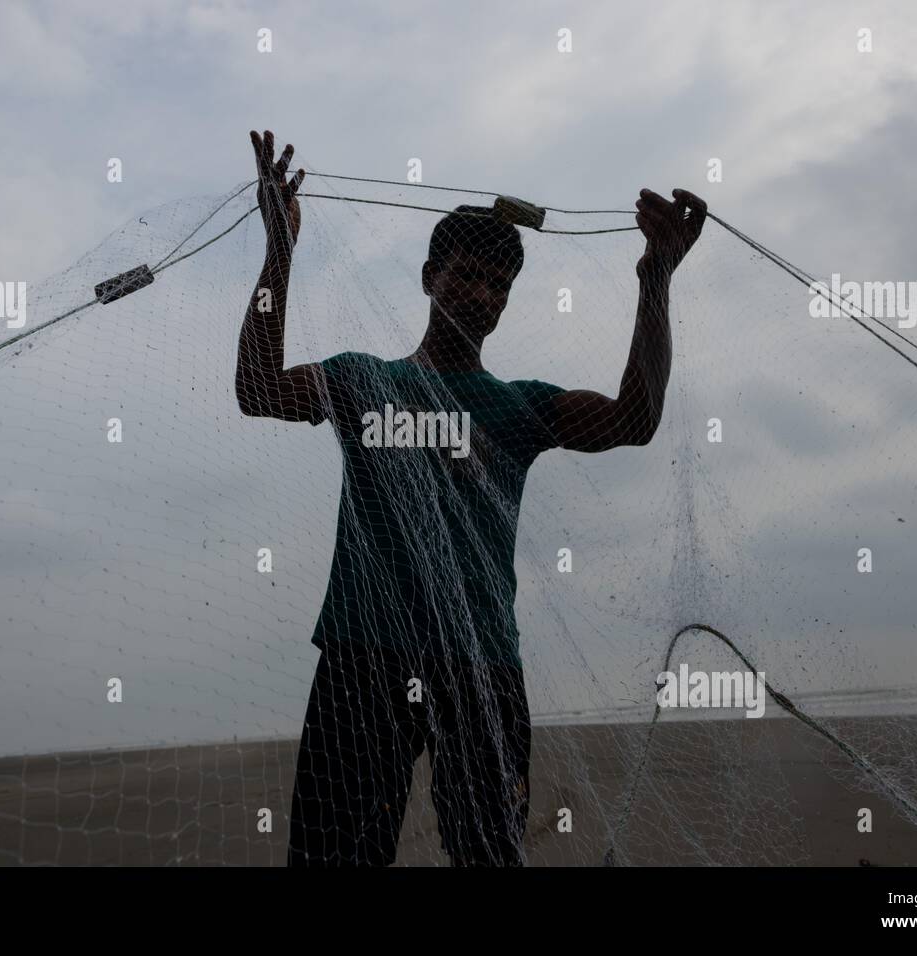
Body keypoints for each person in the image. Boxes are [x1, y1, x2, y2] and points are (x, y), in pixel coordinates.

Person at [235, 130, 706, 866]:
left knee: (489, 855)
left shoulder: (522, 408)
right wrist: (280, 249)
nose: (483, 295)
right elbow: (258, 390)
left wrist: (656, 278)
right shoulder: (363, 382)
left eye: (500, 285)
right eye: (469, 276)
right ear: (429, 276)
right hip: (363, 660)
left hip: (480, 666)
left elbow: (634, 419)